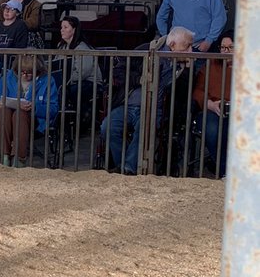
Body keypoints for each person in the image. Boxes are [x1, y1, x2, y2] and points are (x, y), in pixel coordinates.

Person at [100, 26, 194, 174]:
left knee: (143, 129)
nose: (191, 51)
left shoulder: (183, 66)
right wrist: (139, 79)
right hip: (129, 104)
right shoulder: (146, 50)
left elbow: (182, 94)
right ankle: (123, 165)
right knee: (107, 127)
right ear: (173, 45)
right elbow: (119, 72)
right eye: (187, 46)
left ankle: (127, 170)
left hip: (155, 109)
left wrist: (187, 70)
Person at [0, 53, 58, 167]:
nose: (25, 75)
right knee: (4, 112)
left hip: (34, 121)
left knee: (20, 114)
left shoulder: (48, 80)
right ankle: (4, 157)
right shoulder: (7, 78)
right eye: (21, 72)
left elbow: (53, 108)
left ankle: (20, 158)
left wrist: (34, 106)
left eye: (29, 72)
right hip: (7, 118)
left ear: (37, 70)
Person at [192, 31, 234, 176]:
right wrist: (209, 103)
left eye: (230, 48)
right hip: (212, 108)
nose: (226, 51)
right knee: (212, 129)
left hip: (238, 112)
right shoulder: (210, 64)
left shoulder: (248, 68)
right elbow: (197, 90)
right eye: (223, 48)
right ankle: (224, 170)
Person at [55, 14, 102, 116]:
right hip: (67, 82)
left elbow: (83, 72)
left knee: (72, 91)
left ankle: (79, 121)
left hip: (88, 82)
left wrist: (66, 81)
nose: (61, 30)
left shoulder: (82, 48)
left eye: (66, 27)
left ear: (74, 30)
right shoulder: (61, 46)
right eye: (61, 27)